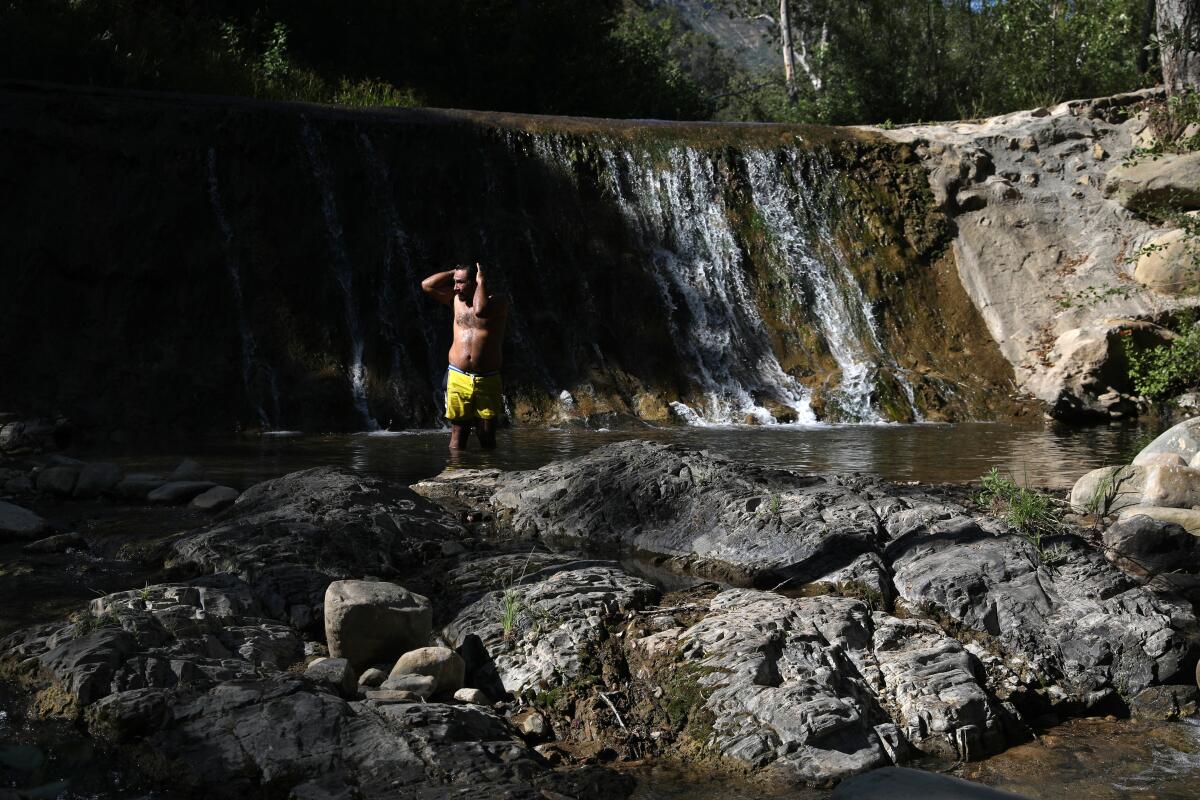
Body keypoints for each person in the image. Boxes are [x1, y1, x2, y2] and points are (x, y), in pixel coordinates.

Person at [421, 262, 509, 450]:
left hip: (487, 379)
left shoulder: (499, 302)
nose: (455, 287)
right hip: (458, 376)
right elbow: (427, 285)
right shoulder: (455, 299)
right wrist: (454, 272)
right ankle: (454, 474)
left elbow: (481, 310)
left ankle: (490, 475)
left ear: (475, 281)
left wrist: (481, 280)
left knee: (486, 436)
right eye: (454, 282)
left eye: (460, 282)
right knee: (458, 435)